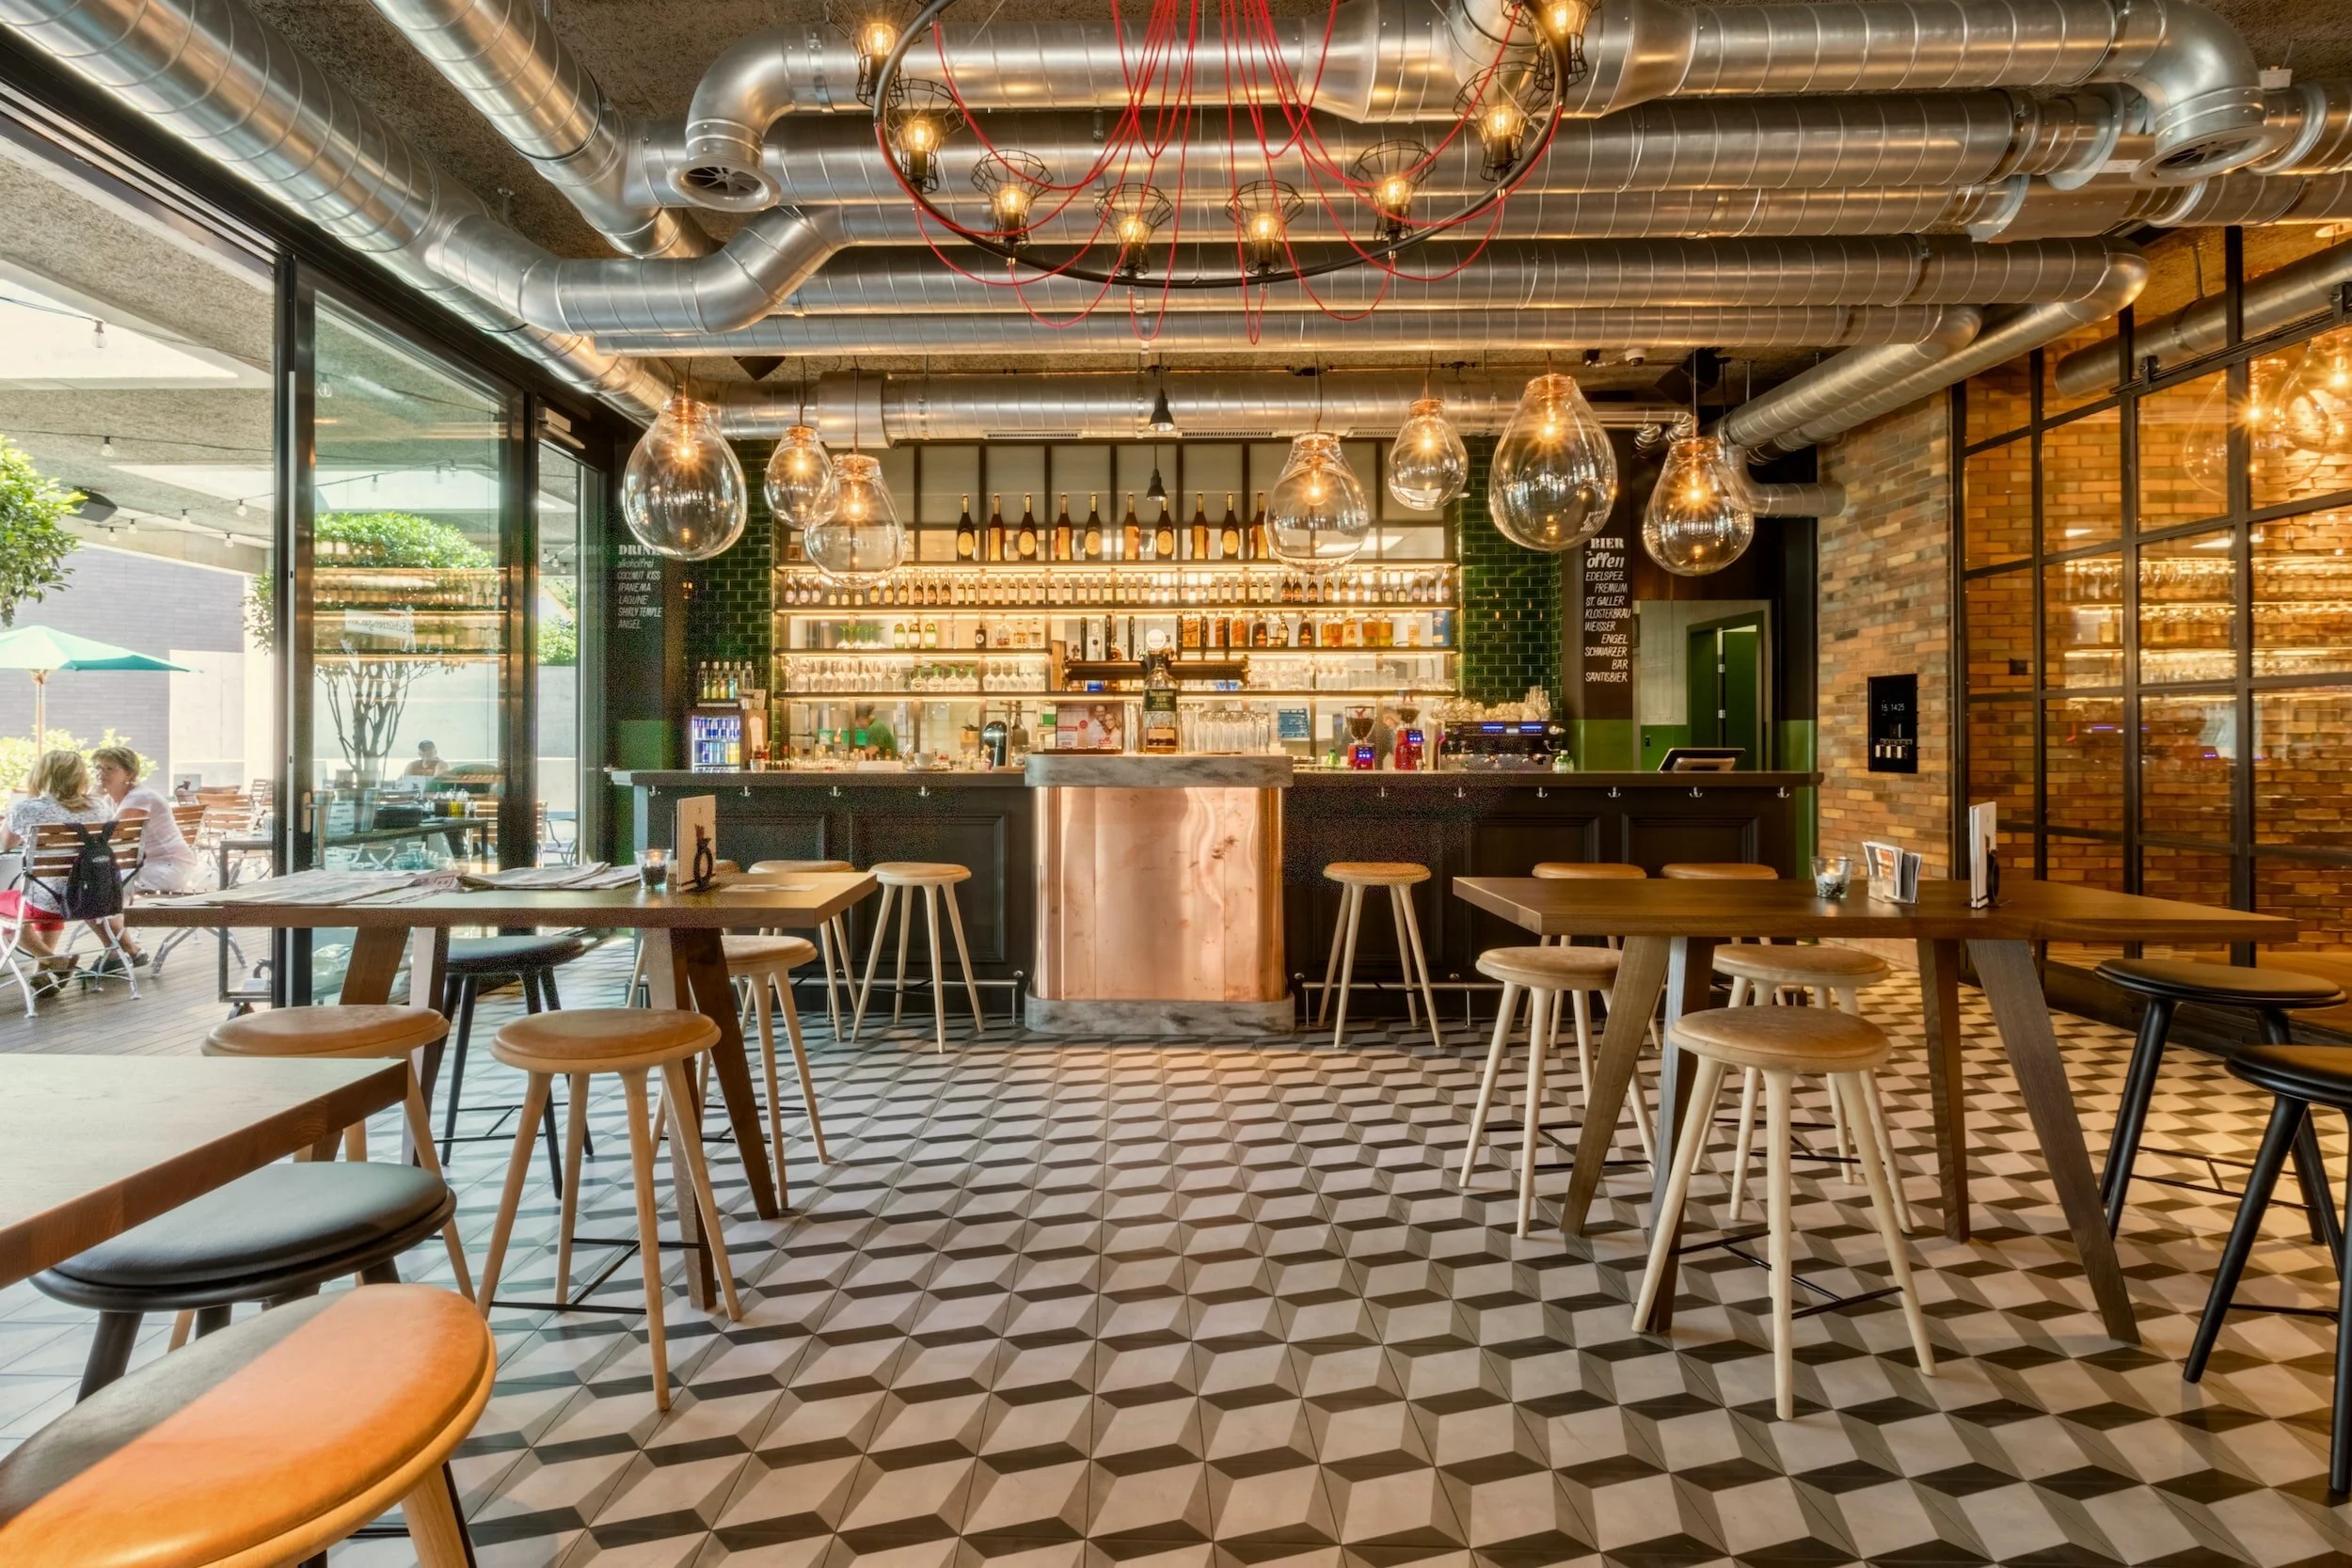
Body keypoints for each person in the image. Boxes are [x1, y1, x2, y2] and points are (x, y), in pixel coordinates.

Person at [0, 749, 119, 990]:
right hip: (87, 896)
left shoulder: (27, 809)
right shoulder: (100, 808)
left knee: (25, 903)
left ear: (41, 774)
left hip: (47, 900)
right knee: (47, 896)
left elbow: (5, 845)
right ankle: (41, 975)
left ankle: (55, 961)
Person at [93, 744, 201, 908]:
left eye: (110, 769)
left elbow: (108, 836)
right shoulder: (110, 800)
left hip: (169, 867)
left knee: (97, 886)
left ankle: (115, 931)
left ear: (128, 773)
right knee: (91, 883)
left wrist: (91, 798)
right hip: (142, 866)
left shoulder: (140, 798)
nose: (101, 773)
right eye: (98, 768)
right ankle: (113, 929)